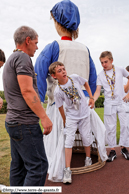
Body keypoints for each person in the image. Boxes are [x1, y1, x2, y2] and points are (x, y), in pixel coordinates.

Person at [34, 0, 97, 171]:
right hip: (84, 105)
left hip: (59, 105)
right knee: (85, 136)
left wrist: (38, 102)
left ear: (57, 21)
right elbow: (91, 79)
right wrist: (91, 98)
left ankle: (61, 166)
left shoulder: (53, 47)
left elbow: (38, 76)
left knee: (57, 141)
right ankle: (87, 159)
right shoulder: (85, 49)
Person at [3, 26, 53, 189]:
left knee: (19, 167)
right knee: (38, 167)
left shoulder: (11, 58)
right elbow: (26, 90)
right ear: (28, 40)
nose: (37, 47)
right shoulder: (23, 58)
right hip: (25, 124)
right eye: (36, 43)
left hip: (14, 122)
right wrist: (44, 117)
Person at [49, 61, 94, 183]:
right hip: (71, 117)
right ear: (54, 76)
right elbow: (60, 108)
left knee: (86, 136)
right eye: (59, 71)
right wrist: (65, 120)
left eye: (63, 69)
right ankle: (67, 170)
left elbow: (85, 82)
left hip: (84, 114)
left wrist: (91, 97)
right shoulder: (58, 91)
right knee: (69, 140)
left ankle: (88, 158)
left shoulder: (74, 78)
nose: (63, 71)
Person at [94, 51, 129, 162]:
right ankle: (112, 150)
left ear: (111, 60)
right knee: (110, 128)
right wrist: (93, 100)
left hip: (121, 102)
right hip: (109, 104)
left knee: (125, 125)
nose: (104, 64)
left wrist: (128, 94)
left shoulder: (120, 69)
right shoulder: (100, 75)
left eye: (106, 62)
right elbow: (98, 91)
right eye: (102, 62)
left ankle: (124, 148)